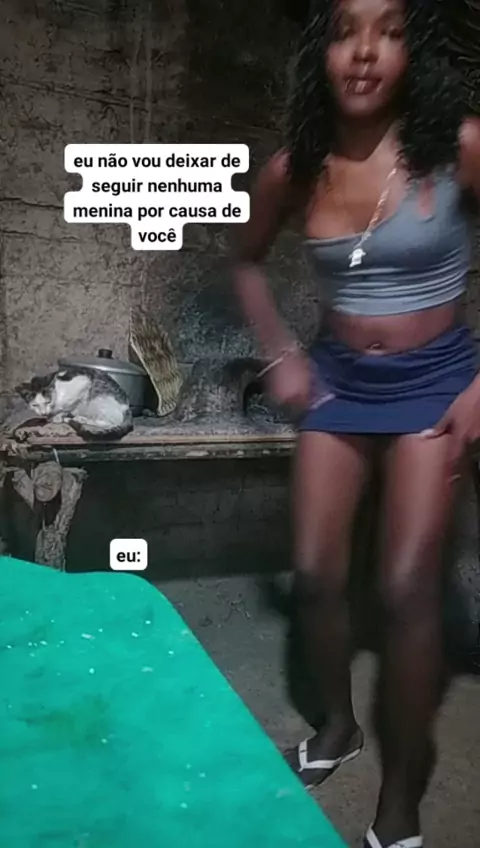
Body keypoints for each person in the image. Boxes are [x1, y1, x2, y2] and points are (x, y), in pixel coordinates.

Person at [231, 1, 480, 846]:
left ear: (415, 51)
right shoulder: (295, 169)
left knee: (408, 591)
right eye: (345, 30)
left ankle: (399, 806)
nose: (365, 51)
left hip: (436, 384)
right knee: (315, 577)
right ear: (321, 51)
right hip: (339, 384)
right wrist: (280, 353)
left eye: (390, 31)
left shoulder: (459, 147)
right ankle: (338, 729)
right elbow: (246, 262)